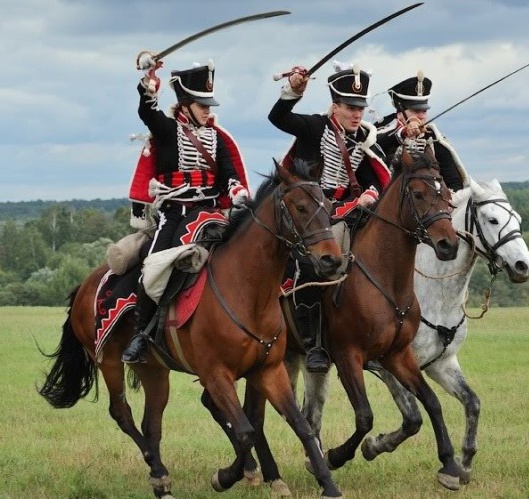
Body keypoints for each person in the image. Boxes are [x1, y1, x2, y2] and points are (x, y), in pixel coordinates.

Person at [121, 53, 250, 363]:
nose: (208, 110)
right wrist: (148, 84)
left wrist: (237, 190)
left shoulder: (216, 138)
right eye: (203, 105)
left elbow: (229, 171)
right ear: (184, 103)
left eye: (209, 105)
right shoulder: (167, 130)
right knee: (153, 267)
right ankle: (143, 334)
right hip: (174, 213)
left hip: (208, 212)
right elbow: (146, 111)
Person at [268, 61, 391, 373]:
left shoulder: (363, 138)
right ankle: (315, 344)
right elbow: (278, 117)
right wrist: (293, 90)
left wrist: (370, 194)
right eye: (350, 107)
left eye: (360, 108)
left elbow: (374, 177)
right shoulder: (313, 127)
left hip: (348, 213)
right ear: (335, 107)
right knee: (313, 269)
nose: (357, 114)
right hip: (310, 218)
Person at [376, 71, 467, 191]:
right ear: (400, 112)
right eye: (415, 111)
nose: (421, 116)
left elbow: (454, 182)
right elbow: (374, 144)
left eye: (423, 111)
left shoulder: (433, 138)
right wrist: (403, 133)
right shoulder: (381, 130)